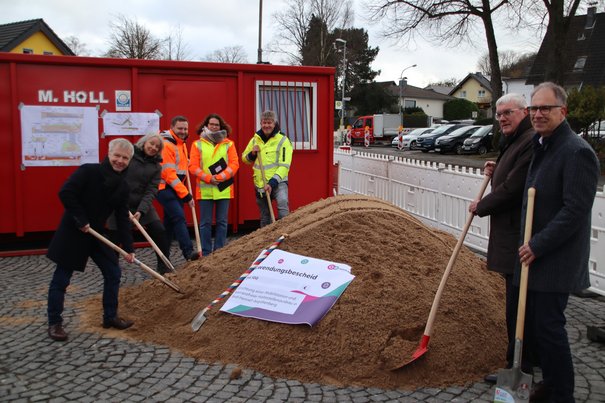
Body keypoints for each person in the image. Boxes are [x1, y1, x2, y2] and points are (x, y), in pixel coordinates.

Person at [518, 82, 599, 402]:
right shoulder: (544, 144)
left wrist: (538, 244)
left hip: (556, 258)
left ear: (562, 112)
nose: (538, 114)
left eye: (545, 109)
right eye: (534, 108)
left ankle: (561, 393)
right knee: (540, 329)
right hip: (537, 255)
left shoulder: (576, 151)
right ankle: (550, 385)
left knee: (550, 329)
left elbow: (575, 210)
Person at [468, 93, 535, 383]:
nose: (502, 118)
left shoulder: (529, 141)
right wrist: (496, 170)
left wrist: (481, 206)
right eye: (498, 114)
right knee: (516, 302)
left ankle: (518, 365)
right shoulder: (515, 141)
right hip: (510, 235)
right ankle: (529, 359)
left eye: (508, 112)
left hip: (518, 236)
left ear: (524, 112)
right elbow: (508, 177)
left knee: (517, 306)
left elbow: (513, 189)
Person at [47, 138, 136, 342]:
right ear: (109, 153)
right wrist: (80, 218)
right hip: (74, 231)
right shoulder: (89, 171)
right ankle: (54, 322)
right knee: (61, 279)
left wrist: (129, 247)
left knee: (113, 272)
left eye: (125, 158)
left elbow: (122, 218)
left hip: (96, 234)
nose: (120, 161)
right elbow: (66, 193)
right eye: (117, 156)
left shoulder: (122, 186)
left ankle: (110, 316)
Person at [107, 133, 172, 274]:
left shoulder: (156, 167)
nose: (153, 147)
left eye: (157, 146)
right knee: (115, 238)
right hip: (119, 202)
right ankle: (112, 270)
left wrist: (141, 211)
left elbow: (151, 190)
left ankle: (164, 266)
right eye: (151, 143)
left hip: (141, 204)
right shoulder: (129, 157)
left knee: (159, 231)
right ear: (144, 143)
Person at [189, 114, 239, 256]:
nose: (214, 127)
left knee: (222, 222)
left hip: (223, 189)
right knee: (205, 224)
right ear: (206, 125)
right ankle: (205, 253)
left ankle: (219, 252)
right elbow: (193, 166)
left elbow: (234, 164)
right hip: (205, 190)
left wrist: (220, 177)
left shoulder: (229, 144)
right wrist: (208, 178)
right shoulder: (197, 144)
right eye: (211, 124)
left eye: (217, 125)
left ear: (221, 127)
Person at [157, 116, 198, 261]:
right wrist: (186, 195)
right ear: (172, 127)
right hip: (164, 188)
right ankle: (188, 252)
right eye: (180, 128)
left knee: (168, 225)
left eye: (185, 128)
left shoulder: (181, 144)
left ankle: (163, 260)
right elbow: (169, 174)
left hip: (174, 188)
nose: (183, 131)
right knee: (179, 217)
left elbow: (180, 166)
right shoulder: (167, 144)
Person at [242, 110, 293, 227]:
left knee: (283, 204)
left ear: (274, 124)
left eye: (269, 123)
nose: (267, 125)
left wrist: (272, 183)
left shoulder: (283, 140)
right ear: (261, 123)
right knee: (265, 216)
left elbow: (284, 165)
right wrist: (252, 154)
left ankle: (284, 233)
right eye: (264, 123)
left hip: (278, 182)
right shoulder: (255, 140)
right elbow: (245, 159)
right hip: (260, 183)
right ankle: (265, 241)